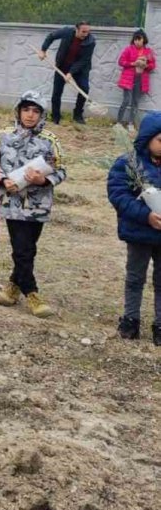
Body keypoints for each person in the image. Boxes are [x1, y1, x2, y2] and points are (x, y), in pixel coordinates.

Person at [0, 91, 66, 318]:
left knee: (28, 248)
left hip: (38, 204)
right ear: (18, 111)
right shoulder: (3, 135)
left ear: (42, 114)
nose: (30, 115)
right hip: (11, 203)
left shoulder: (51, 140)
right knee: (22, 249)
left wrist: (44, 180)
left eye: (35, 111)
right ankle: (32, 293)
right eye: (26, 109)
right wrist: (3, 179)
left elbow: (62, 170)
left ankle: (13, 286)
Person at [107, 111, 161, 345]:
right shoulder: (129, 163)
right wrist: (146, 216)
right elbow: (119, 195)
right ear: (147, 139)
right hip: (140, 232)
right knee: (135, 277)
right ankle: (130, 319)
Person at [38, 21, 95, 125]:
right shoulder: (67, 32)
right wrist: (43, 50)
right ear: (76, 29)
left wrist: (71, 73)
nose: (86, 34)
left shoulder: (91, 42)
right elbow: (51, 36)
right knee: (57, 92)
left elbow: (84, 60)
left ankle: (77, 115)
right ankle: (55, 116)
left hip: (80, 69)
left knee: (84, 89)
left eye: (88, 31)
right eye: (83, 31)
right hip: (62, 65)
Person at [117, 29, 155, 130]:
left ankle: (130, 123)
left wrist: (145, 65)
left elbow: (152, 65)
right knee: (126, 100)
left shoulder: (148, 52)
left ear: (144, 40)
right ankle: (119, 122)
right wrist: (133, 63)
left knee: (135, 101)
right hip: (128, 79)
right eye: (135, 39)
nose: (137, 42)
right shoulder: (128, 49)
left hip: (140, 80)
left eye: (139, 39)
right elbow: (121, 61)